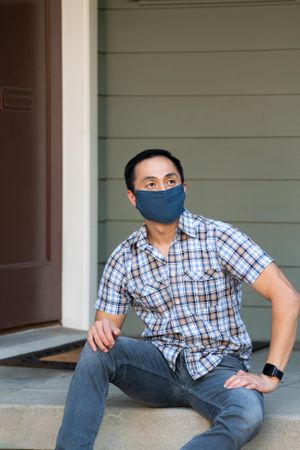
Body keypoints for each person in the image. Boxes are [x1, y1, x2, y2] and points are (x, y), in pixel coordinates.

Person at [56, 149, 300, 450]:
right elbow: (104, 333)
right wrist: (100, 330)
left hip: (218, 368)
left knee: (247, 415)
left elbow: (286, 296)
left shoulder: (218, 237)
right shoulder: (123, 257)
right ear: (133, 197)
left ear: (183, 188)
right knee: (96, 350)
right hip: (157, 369)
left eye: (170, 181)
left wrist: (270, 376)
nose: (162, 190)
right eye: (150, 184)